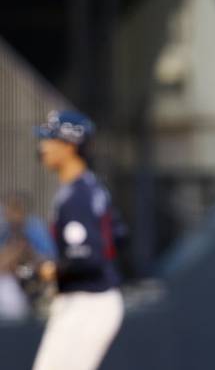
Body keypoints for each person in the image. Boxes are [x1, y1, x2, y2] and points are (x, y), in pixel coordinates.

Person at [32, 110, 124, 370]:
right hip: (92, 298)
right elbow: (118, 236)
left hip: (88, 301)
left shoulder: (76, 195)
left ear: (70, 145)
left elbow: (87, 258)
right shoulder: (90, 186)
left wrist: (51, 270)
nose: (43, 147)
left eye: (49, 139)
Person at [0, 192, 56, 320]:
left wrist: (28, 252)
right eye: (8, 209)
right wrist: (14, 252)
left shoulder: (34, 228)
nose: (11, 214)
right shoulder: (4, 230)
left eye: (15, 209)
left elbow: (50, 259)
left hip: (36, 279)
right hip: (10, 282)